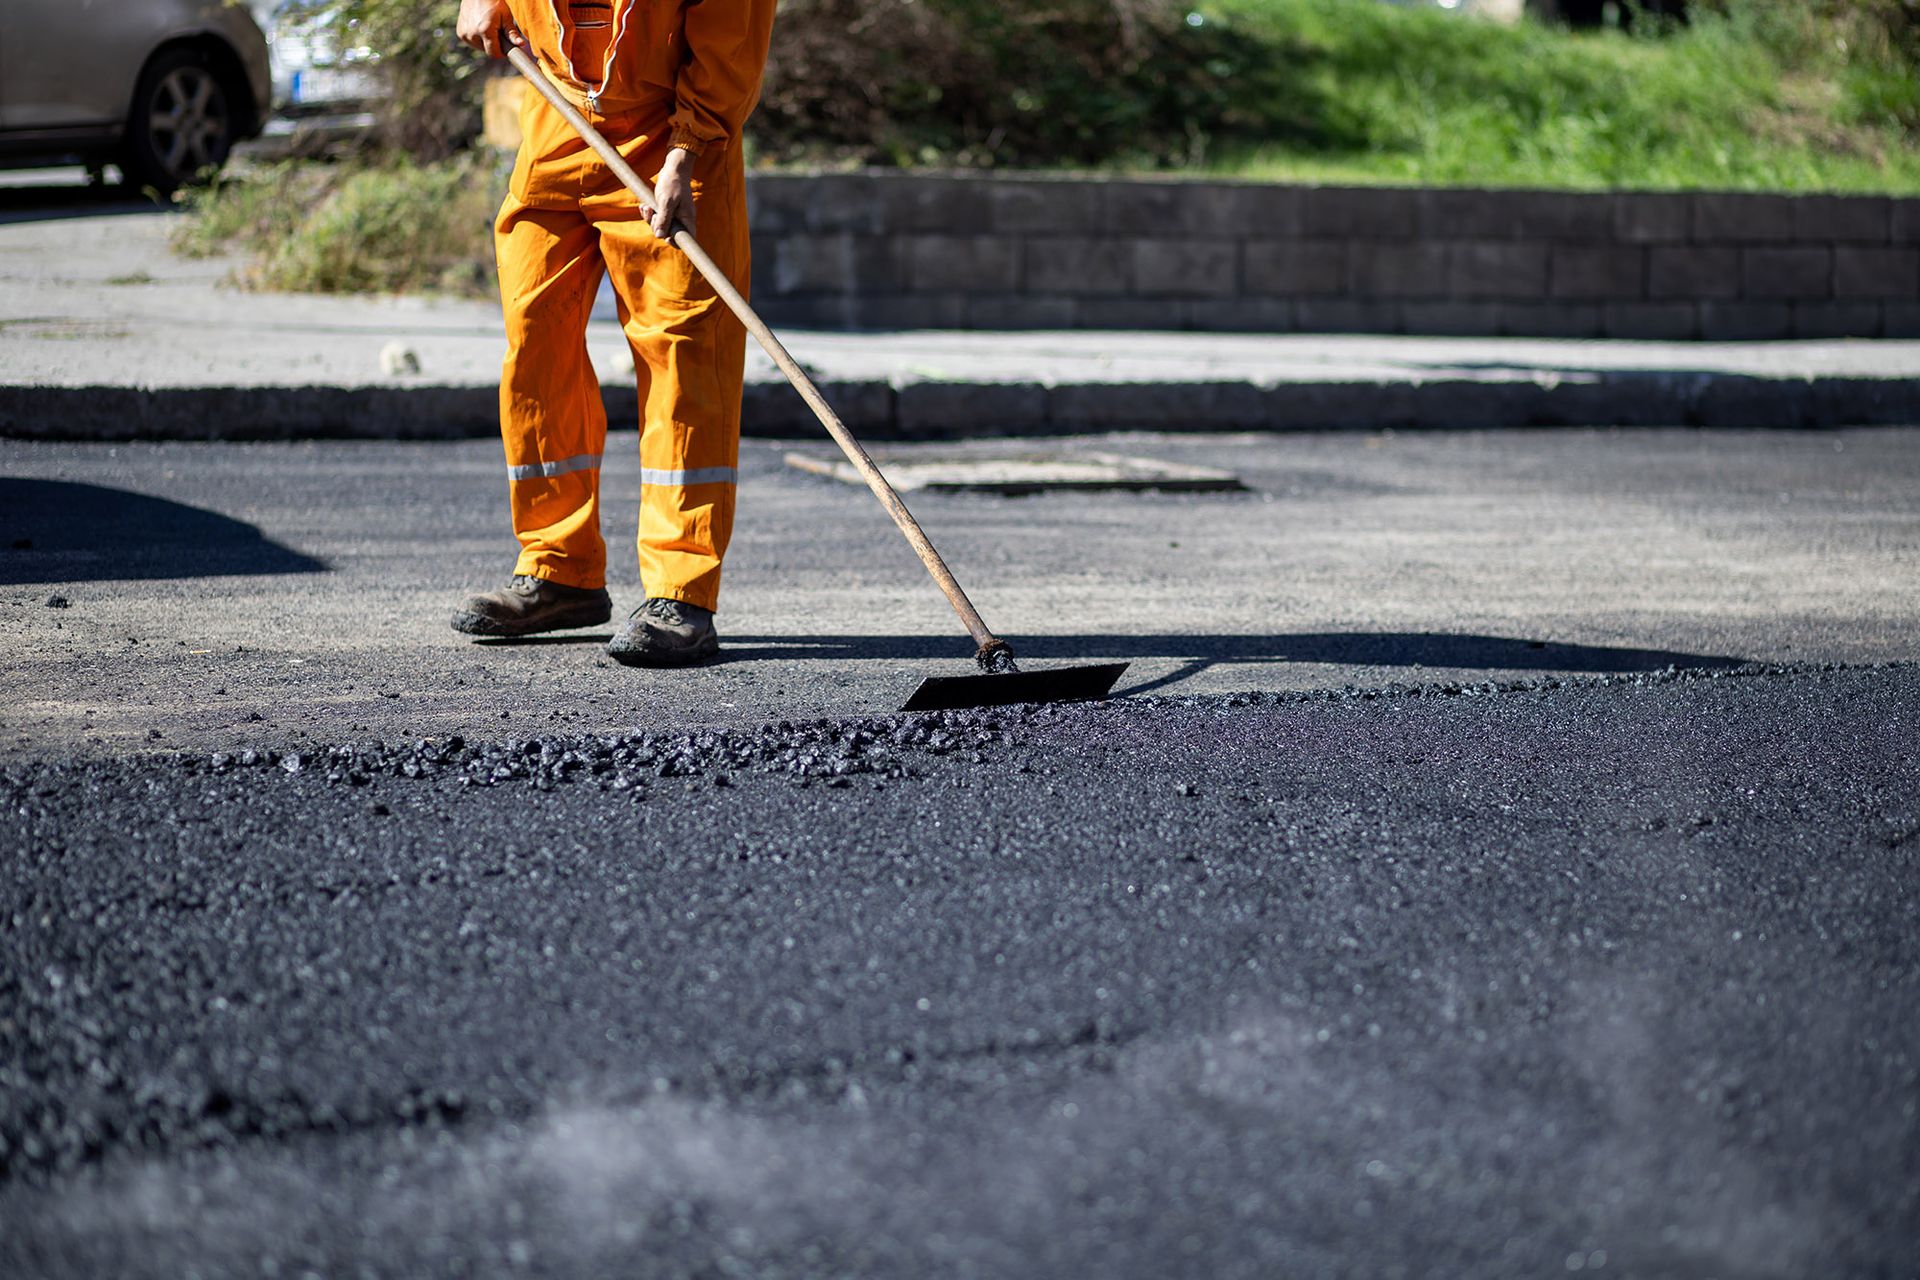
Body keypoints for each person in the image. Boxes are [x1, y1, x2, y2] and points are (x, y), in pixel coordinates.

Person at [451, 0, 777, 666]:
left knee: (685, 358)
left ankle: (681, 590)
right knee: (536, 339)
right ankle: (558, 569)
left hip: (674, 138)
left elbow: (728, 52)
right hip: (560, 114)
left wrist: (686, 156)